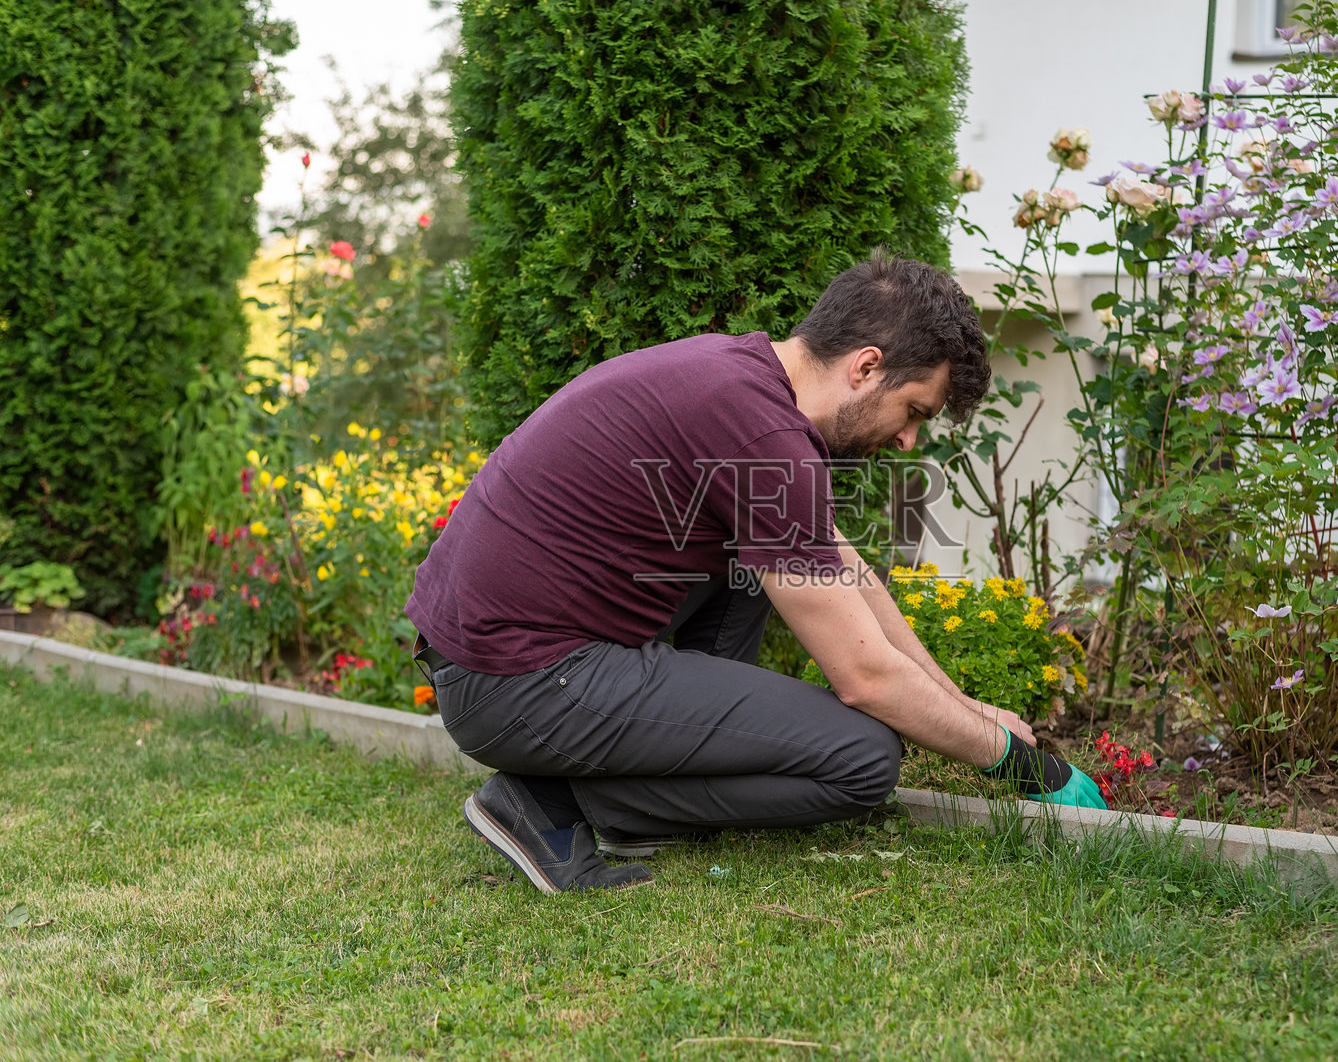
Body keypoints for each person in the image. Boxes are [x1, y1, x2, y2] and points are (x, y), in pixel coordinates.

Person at [406, 251, 1106, 894]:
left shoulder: (742, 381)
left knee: (763, 563)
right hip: (519, 681)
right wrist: (1019, 764)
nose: (906, 438)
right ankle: (549, 804)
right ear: (865, 367)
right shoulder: (761, 434)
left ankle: (628, 810)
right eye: (914, 410)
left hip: (502, 664)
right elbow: (864, 680)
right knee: (862, 758)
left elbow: (845, 571)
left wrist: (967, 706)